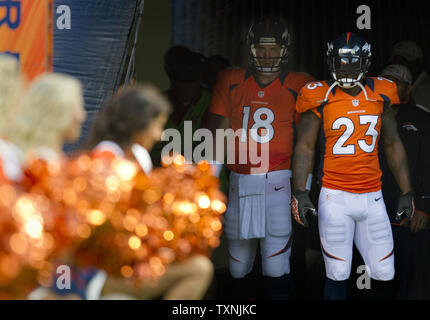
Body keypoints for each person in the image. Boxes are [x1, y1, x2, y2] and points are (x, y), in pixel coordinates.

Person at [291, 32, 414, 300]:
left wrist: (407, 191)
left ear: (366, 62)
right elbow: (305, 147)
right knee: (337, 273)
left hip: (373, 198)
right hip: (335, 197)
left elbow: (392, 143)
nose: (346, 68)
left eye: (352, 62)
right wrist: (300, 191)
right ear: (330, 62)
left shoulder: (381, 93)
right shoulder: (319, 95)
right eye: (340, 62)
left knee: (384, 273)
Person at [202, 18, 314, 299]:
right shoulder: (230, 79)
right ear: (250, 49)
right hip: (240, 181)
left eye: (274, 48)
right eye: (262, 48)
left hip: (277, 182)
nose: (267, 55)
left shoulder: (299, 85)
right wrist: (207, 186)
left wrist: (303, 190)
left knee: (276, 263)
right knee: (238, 265)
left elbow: (307, 143)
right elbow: (219, 136)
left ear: (284, 49)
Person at [85, 85, 214, 300]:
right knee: (199, 269)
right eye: (156, 126)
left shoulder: (139, 155)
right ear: (138, 124)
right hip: (99, 272)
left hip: (128, 263)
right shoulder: (106, 158)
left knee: (194, 258)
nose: (159, 134)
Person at [379, 64, 430, 299]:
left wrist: (424, 207)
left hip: (410, 220)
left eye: (395, 83)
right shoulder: (365, 114)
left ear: (408, 88)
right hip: (373, 217)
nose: (388, 87)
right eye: (384, 81)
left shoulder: (422, 118)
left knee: (410, 286)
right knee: (373, 283)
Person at [150, 46, 212, 166]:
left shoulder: (211, 102)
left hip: (198, 178)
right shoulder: (154, 104)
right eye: (180, 79)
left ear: (200, 78)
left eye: (191, 80)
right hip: (157, 178)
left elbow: (211, 146)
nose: (185, 86)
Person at [388, 41, 430, 111]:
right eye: (395, 61)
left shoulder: (426, 89)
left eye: (403, 61)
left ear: (420, 62)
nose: (398, 66)